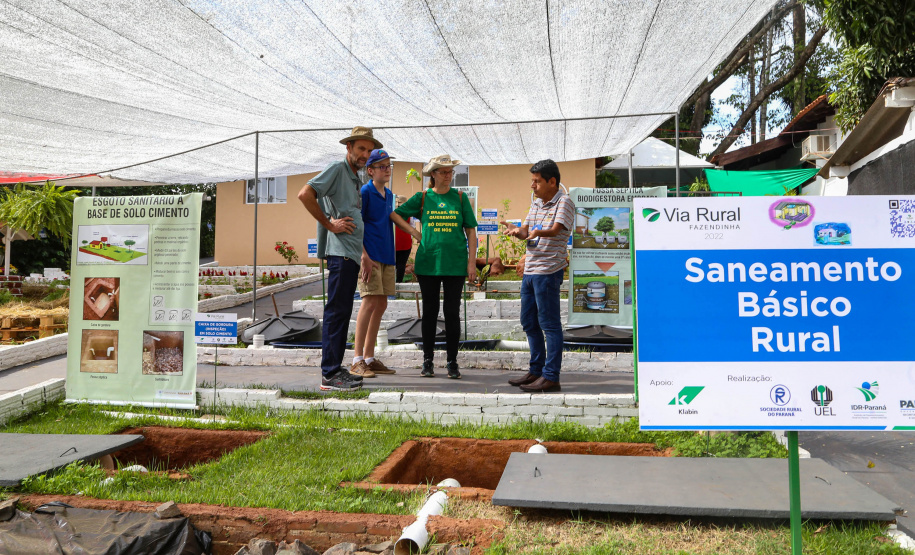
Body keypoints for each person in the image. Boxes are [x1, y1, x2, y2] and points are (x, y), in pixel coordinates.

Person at [297, 126, 382, 391]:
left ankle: (335, 369)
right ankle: (330, 374)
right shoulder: (336, 168)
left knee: (342, 313)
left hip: (350, 254)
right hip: (340, 253)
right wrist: (329, 224)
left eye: (368, 151)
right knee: (336, 313)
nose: (365, 155)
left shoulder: (355, 176)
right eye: (360, 149)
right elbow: (305, 194)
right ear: (349, 148)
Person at [391, 154, 477, 379]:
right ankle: (427, 360)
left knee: (452, 313)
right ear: (433, 175)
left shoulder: (459, 198)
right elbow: (395, 214)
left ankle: (452, 361)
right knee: (429, 313)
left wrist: (471, 263)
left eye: (451, 172)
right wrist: (414, 232)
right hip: (428, 263)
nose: (449, 176)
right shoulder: (422, 197)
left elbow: (470, 232)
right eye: (444, 172)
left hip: (455, 264)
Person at [500, 159, 575, 392]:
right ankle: (536, 371)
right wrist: (516, 231)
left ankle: (551, 376)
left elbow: (555, 230)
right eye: (531, 181)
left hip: (548, 271)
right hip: (530, 271)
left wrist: (535, 231)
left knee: (549, 324)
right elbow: (525, 231)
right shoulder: (536, 204)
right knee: (529, 321)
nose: (532, 186)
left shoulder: (564, 202)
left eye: (537, 181)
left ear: (552, 181)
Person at [351, 149, 398, 379]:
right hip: (369, 257)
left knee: (381, 305)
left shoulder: (389, 195)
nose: (387, 169)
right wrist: (363, 256)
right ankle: (356, 359)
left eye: (389, 166)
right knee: (368, 303)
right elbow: (358, 225)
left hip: (387, 256)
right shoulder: (366, 192)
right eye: (382, 166)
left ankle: (369, 358)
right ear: (370, 171)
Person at [394, 196, 413, 283]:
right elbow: (412, 227)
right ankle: (399, 282)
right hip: (406, 241)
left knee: (392, 264)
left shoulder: (393, 213)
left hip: (394, 241)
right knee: (401, 264)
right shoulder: (409, 213)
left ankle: (391, 283)